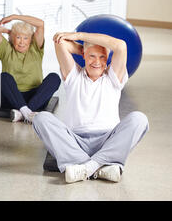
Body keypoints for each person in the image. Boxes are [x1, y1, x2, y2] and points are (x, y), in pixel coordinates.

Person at [32, 31, 149, 183]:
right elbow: (59, 42)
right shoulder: (73, 76)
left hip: (107, 141)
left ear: (108, 60)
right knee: (41, 118)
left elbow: (120, 46)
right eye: (92, 56)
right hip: (75, 142)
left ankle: (86, 168)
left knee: (140, 119)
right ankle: (102, 166)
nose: (97, 62)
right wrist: (86, 48)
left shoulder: (114, 78)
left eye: (102, 57)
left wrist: (80, 37)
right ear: (84, 56)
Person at [0, 14, 60, 123]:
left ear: (31, 39)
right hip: (11, 98)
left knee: (55, 78)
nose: (22, 42)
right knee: (4, 77)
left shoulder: (36, 48)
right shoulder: (6, 49)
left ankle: (23, 113)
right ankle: (27, 112)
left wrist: (14, 17)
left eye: (25, 38)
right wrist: (11, 32)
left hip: (35, 97)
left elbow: (40, 24)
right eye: (18, 37)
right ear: (12, 39)